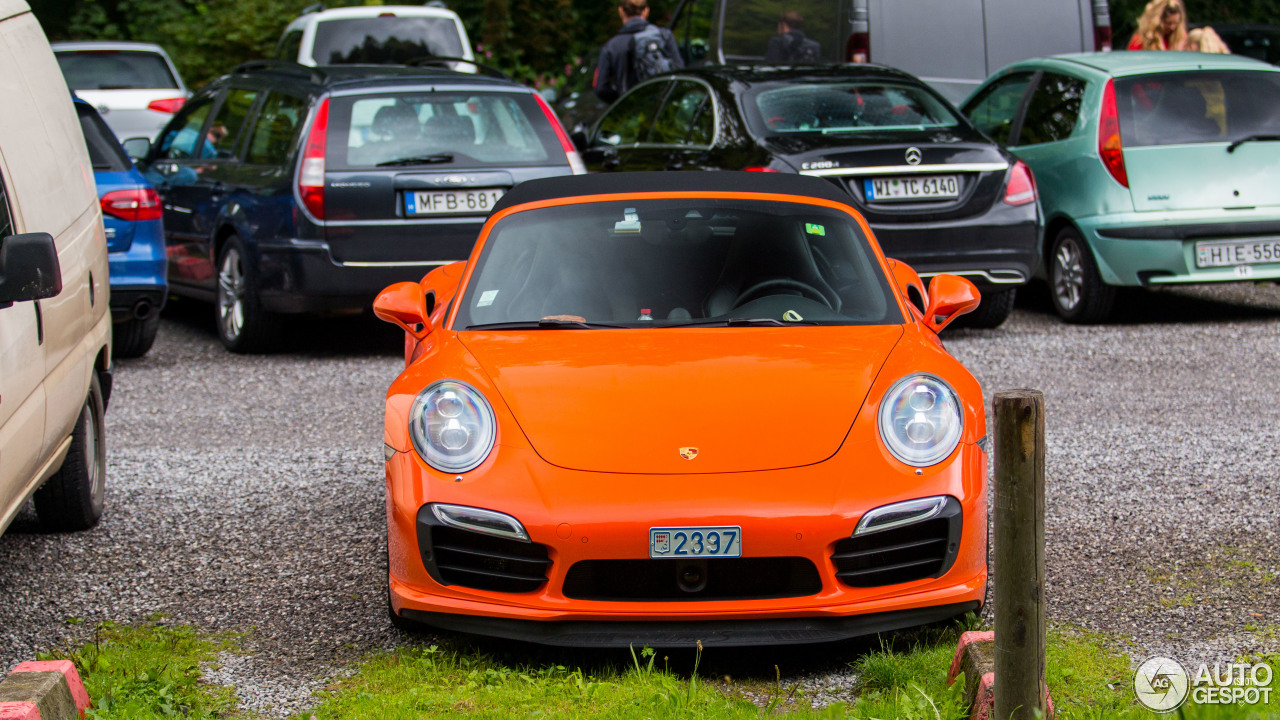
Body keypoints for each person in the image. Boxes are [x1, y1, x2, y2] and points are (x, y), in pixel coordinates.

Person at [593, 0, 682, 104]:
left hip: (632, 112)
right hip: (663, 107)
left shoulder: (612, 46)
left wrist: (623, 101)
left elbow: (601, 88)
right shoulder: (664, 36)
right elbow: (680, 71)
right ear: (646, 11)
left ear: (621, 11)